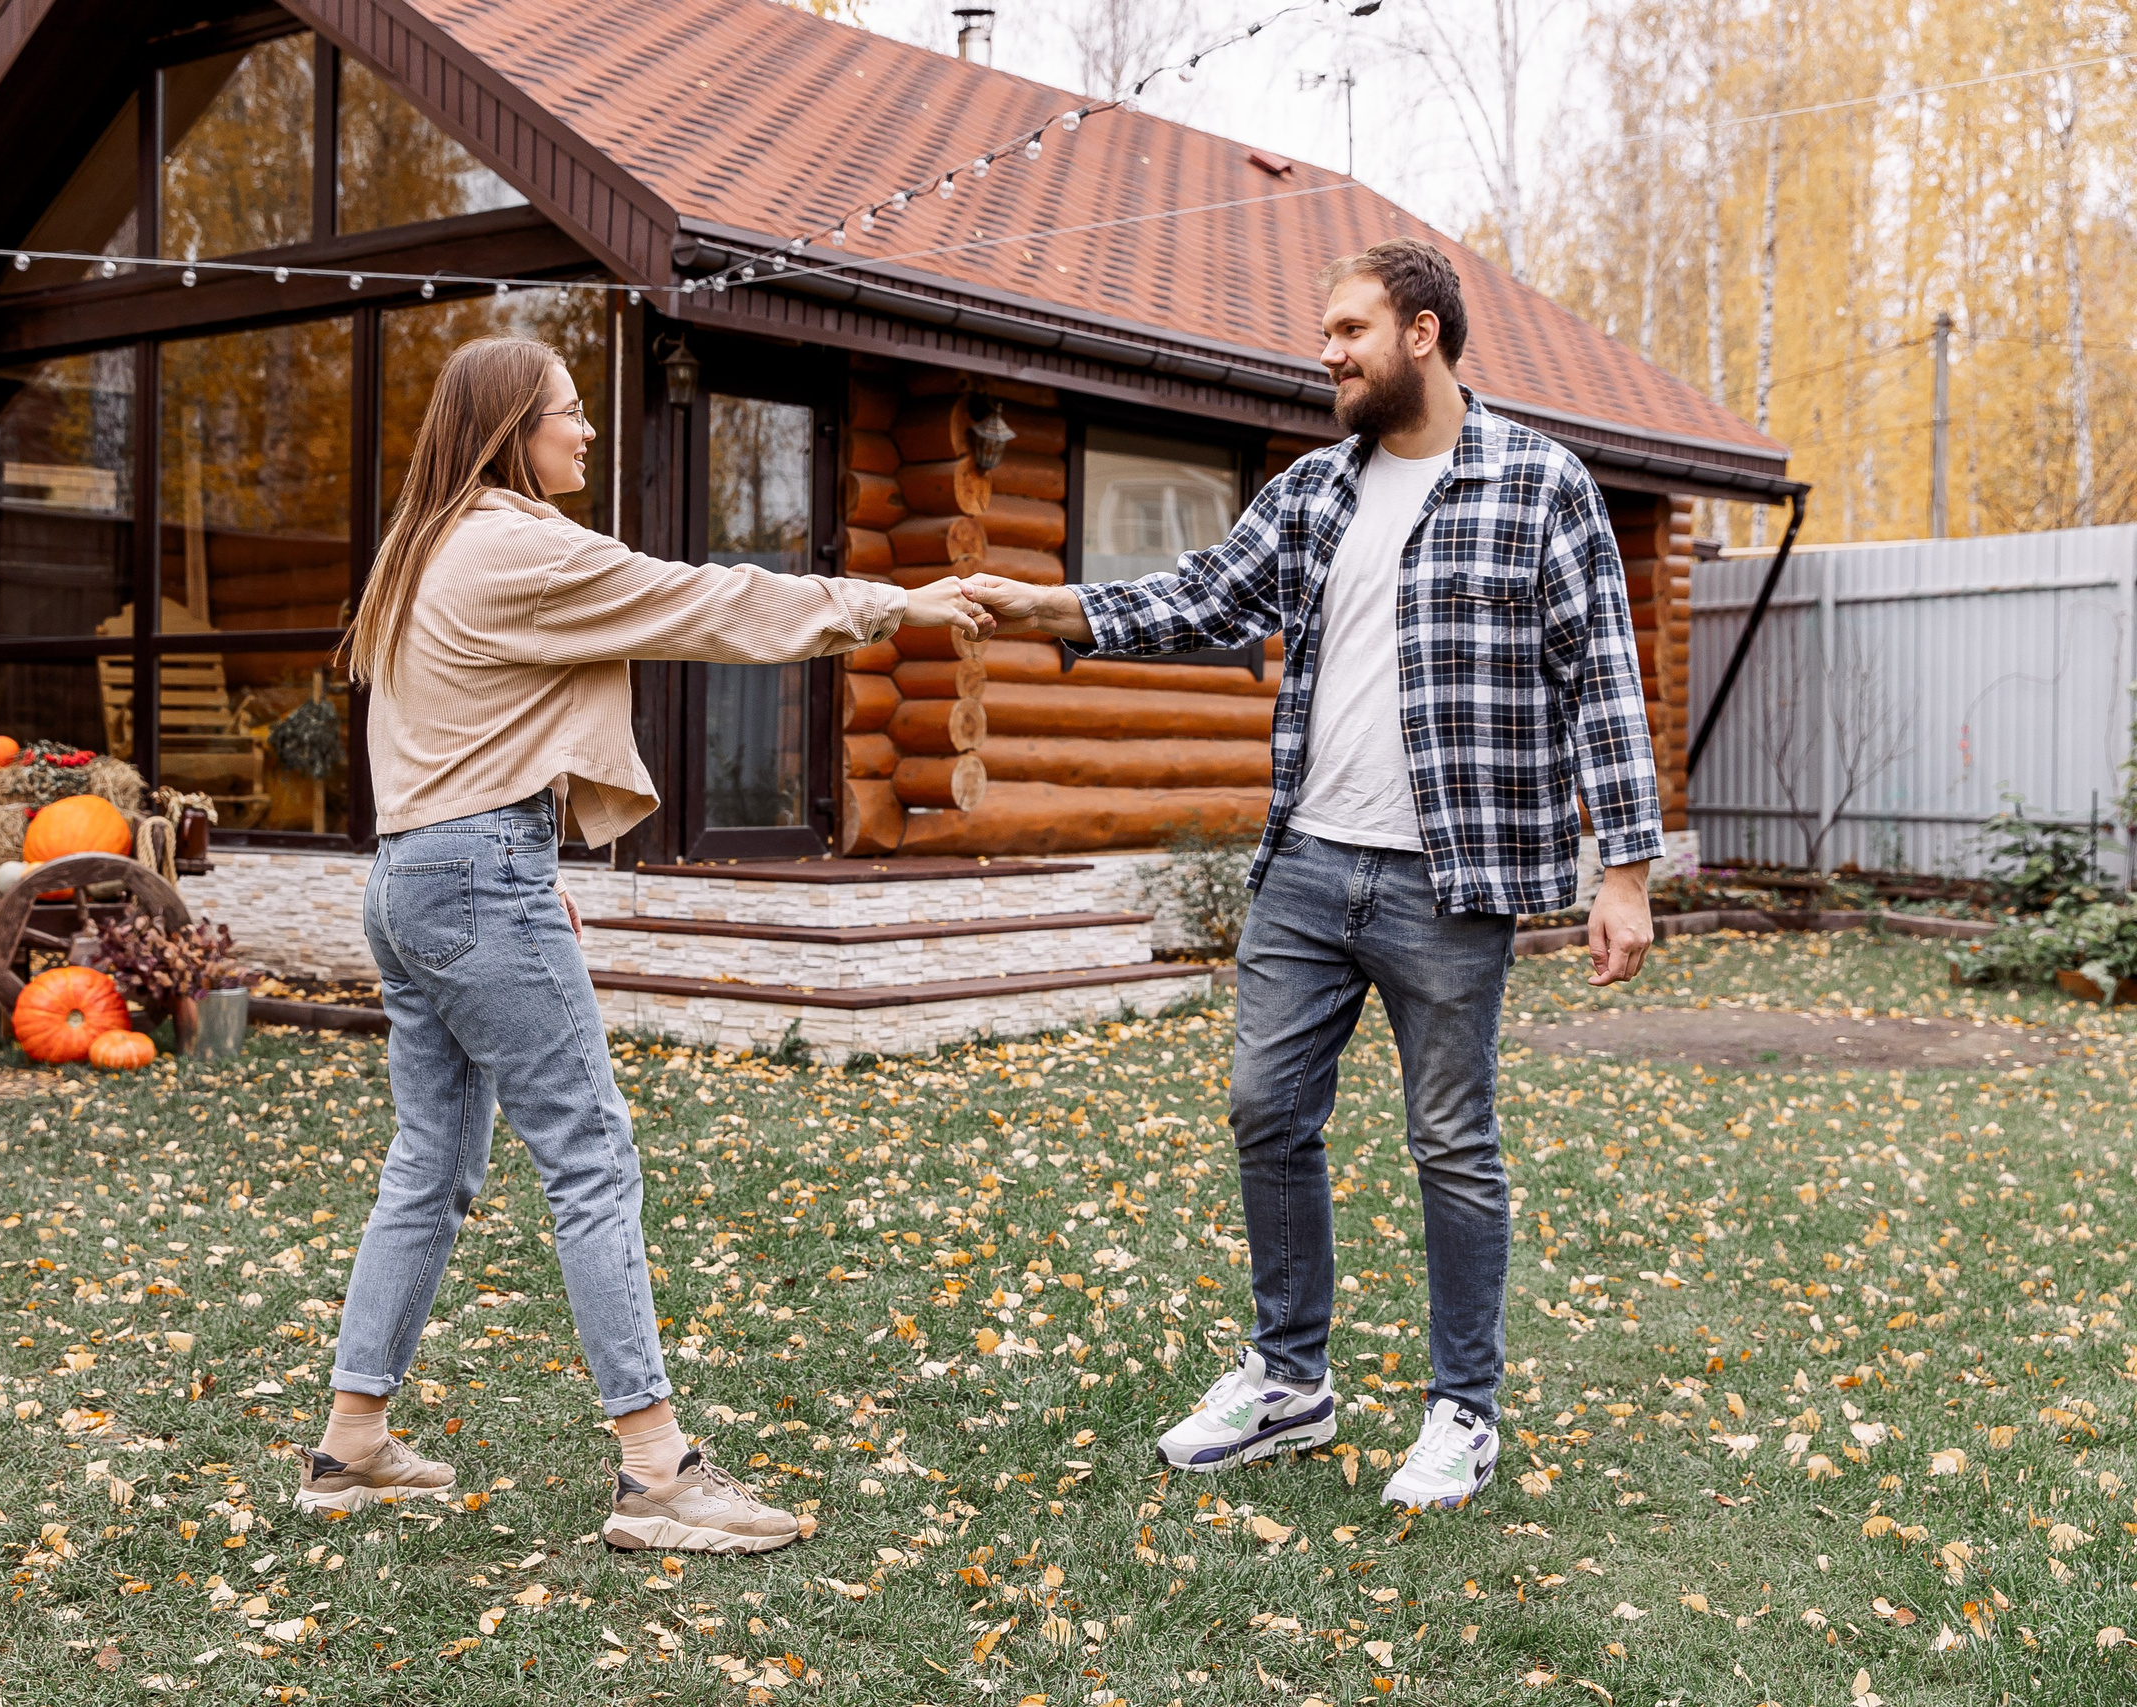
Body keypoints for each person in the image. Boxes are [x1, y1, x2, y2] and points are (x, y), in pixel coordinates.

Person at [963, 238, 1660, 1511]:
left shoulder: (1538, 485)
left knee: (1451, 1144)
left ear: (1425, 333)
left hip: (1451, 882)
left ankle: (1463, 1410)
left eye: (1348, 330)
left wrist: (1625, 869)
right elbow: (1196, 599)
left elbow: (1601, 679)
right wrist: (1040, 609)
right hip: (1306, 865)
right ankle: (1289, 1383)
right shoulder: (1310, 494)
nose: (1325, 352)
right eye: (1324, 331)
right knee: (1263, 1111)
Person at [305, 334, 993, 1551]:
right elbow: (707, 599)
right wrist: (892, 602)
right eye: (567, 414)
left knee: (432, 1163)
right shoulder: (514, 543)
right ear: (511, 429)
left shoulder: (425, 544)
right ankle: (658, 1473)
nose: (584, 433)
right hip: (470, 880)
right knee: (591, 1156)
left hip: (416, 876)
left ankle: (352, 1444)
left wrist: (512, 870)